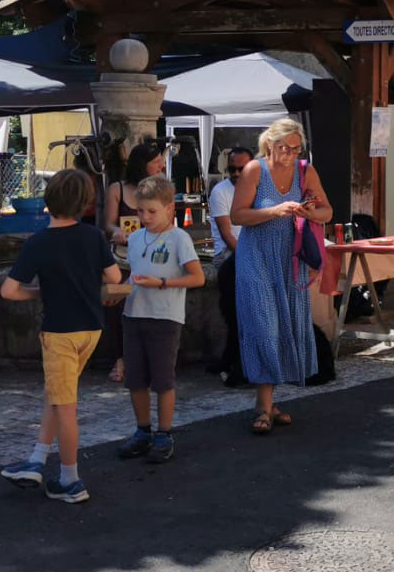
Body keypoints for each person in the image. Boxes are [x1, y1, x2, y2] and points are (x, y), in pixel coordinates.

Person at [0, 169, 122, 503]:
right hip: (91, 328)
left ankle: (71, 478)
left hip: (59, 331)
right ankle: (37, 459)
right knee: (57, 394)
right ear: (84, 204)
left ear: (48, 202)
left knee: (65, 405)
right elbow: (113, 275)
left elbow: (8, 291)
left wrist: (38, 292)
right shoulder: (94, 236)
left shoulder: (38, 242)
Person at [231, 118, 332, 435]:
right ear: (269, 145)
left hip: (291, 258)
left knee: (286, 322)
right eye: (283, 148)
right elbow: (238, 216)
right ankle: (263, 405)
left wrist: (309, 213)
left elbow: (327, 211)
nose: (289, 154)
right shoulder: (254, 171)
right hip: (257, 257)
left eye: (295, 148)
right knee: (263, 323)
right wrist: (275, 211)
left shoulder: (306, 171)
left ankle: (269, 403)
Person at [116, 175, 203, 464]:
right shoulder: (137, 237)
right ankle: (143, 431)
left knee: (163, 380)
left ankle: (164, 433)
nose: (145, 217)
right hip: (134, 314)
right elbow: (136, 275)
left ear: (169, 208)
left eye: (152, 211)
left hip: (164, 317)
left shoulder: (179, 238)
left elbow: (197, 277)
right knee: (136, 379)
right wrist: (119, 292)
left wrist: (162, 283)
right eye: (141, 211)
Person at [102, 141, 165, 383]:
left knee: (148, 307)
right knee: (115, 305)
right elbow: (106, 223)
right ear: (142, 165)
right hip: (122, 258)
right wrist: (116, 230)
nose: (161, 166)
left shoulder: (162, 189)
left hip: (150, 258)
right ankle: (120, 358)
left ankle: (144, 358)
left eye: (161, 162)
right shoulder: (117, 188)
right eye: (155, 163)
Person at [209, 146, 251, 386]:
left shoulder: (257, 190)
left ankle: (231, 360)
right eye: (232, 169)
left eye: (241, 169)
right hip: (229, 255)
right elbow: (227, 235)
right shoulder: (221, 192)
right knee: (237, 313)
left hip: (249, 254)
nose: (236, 173)